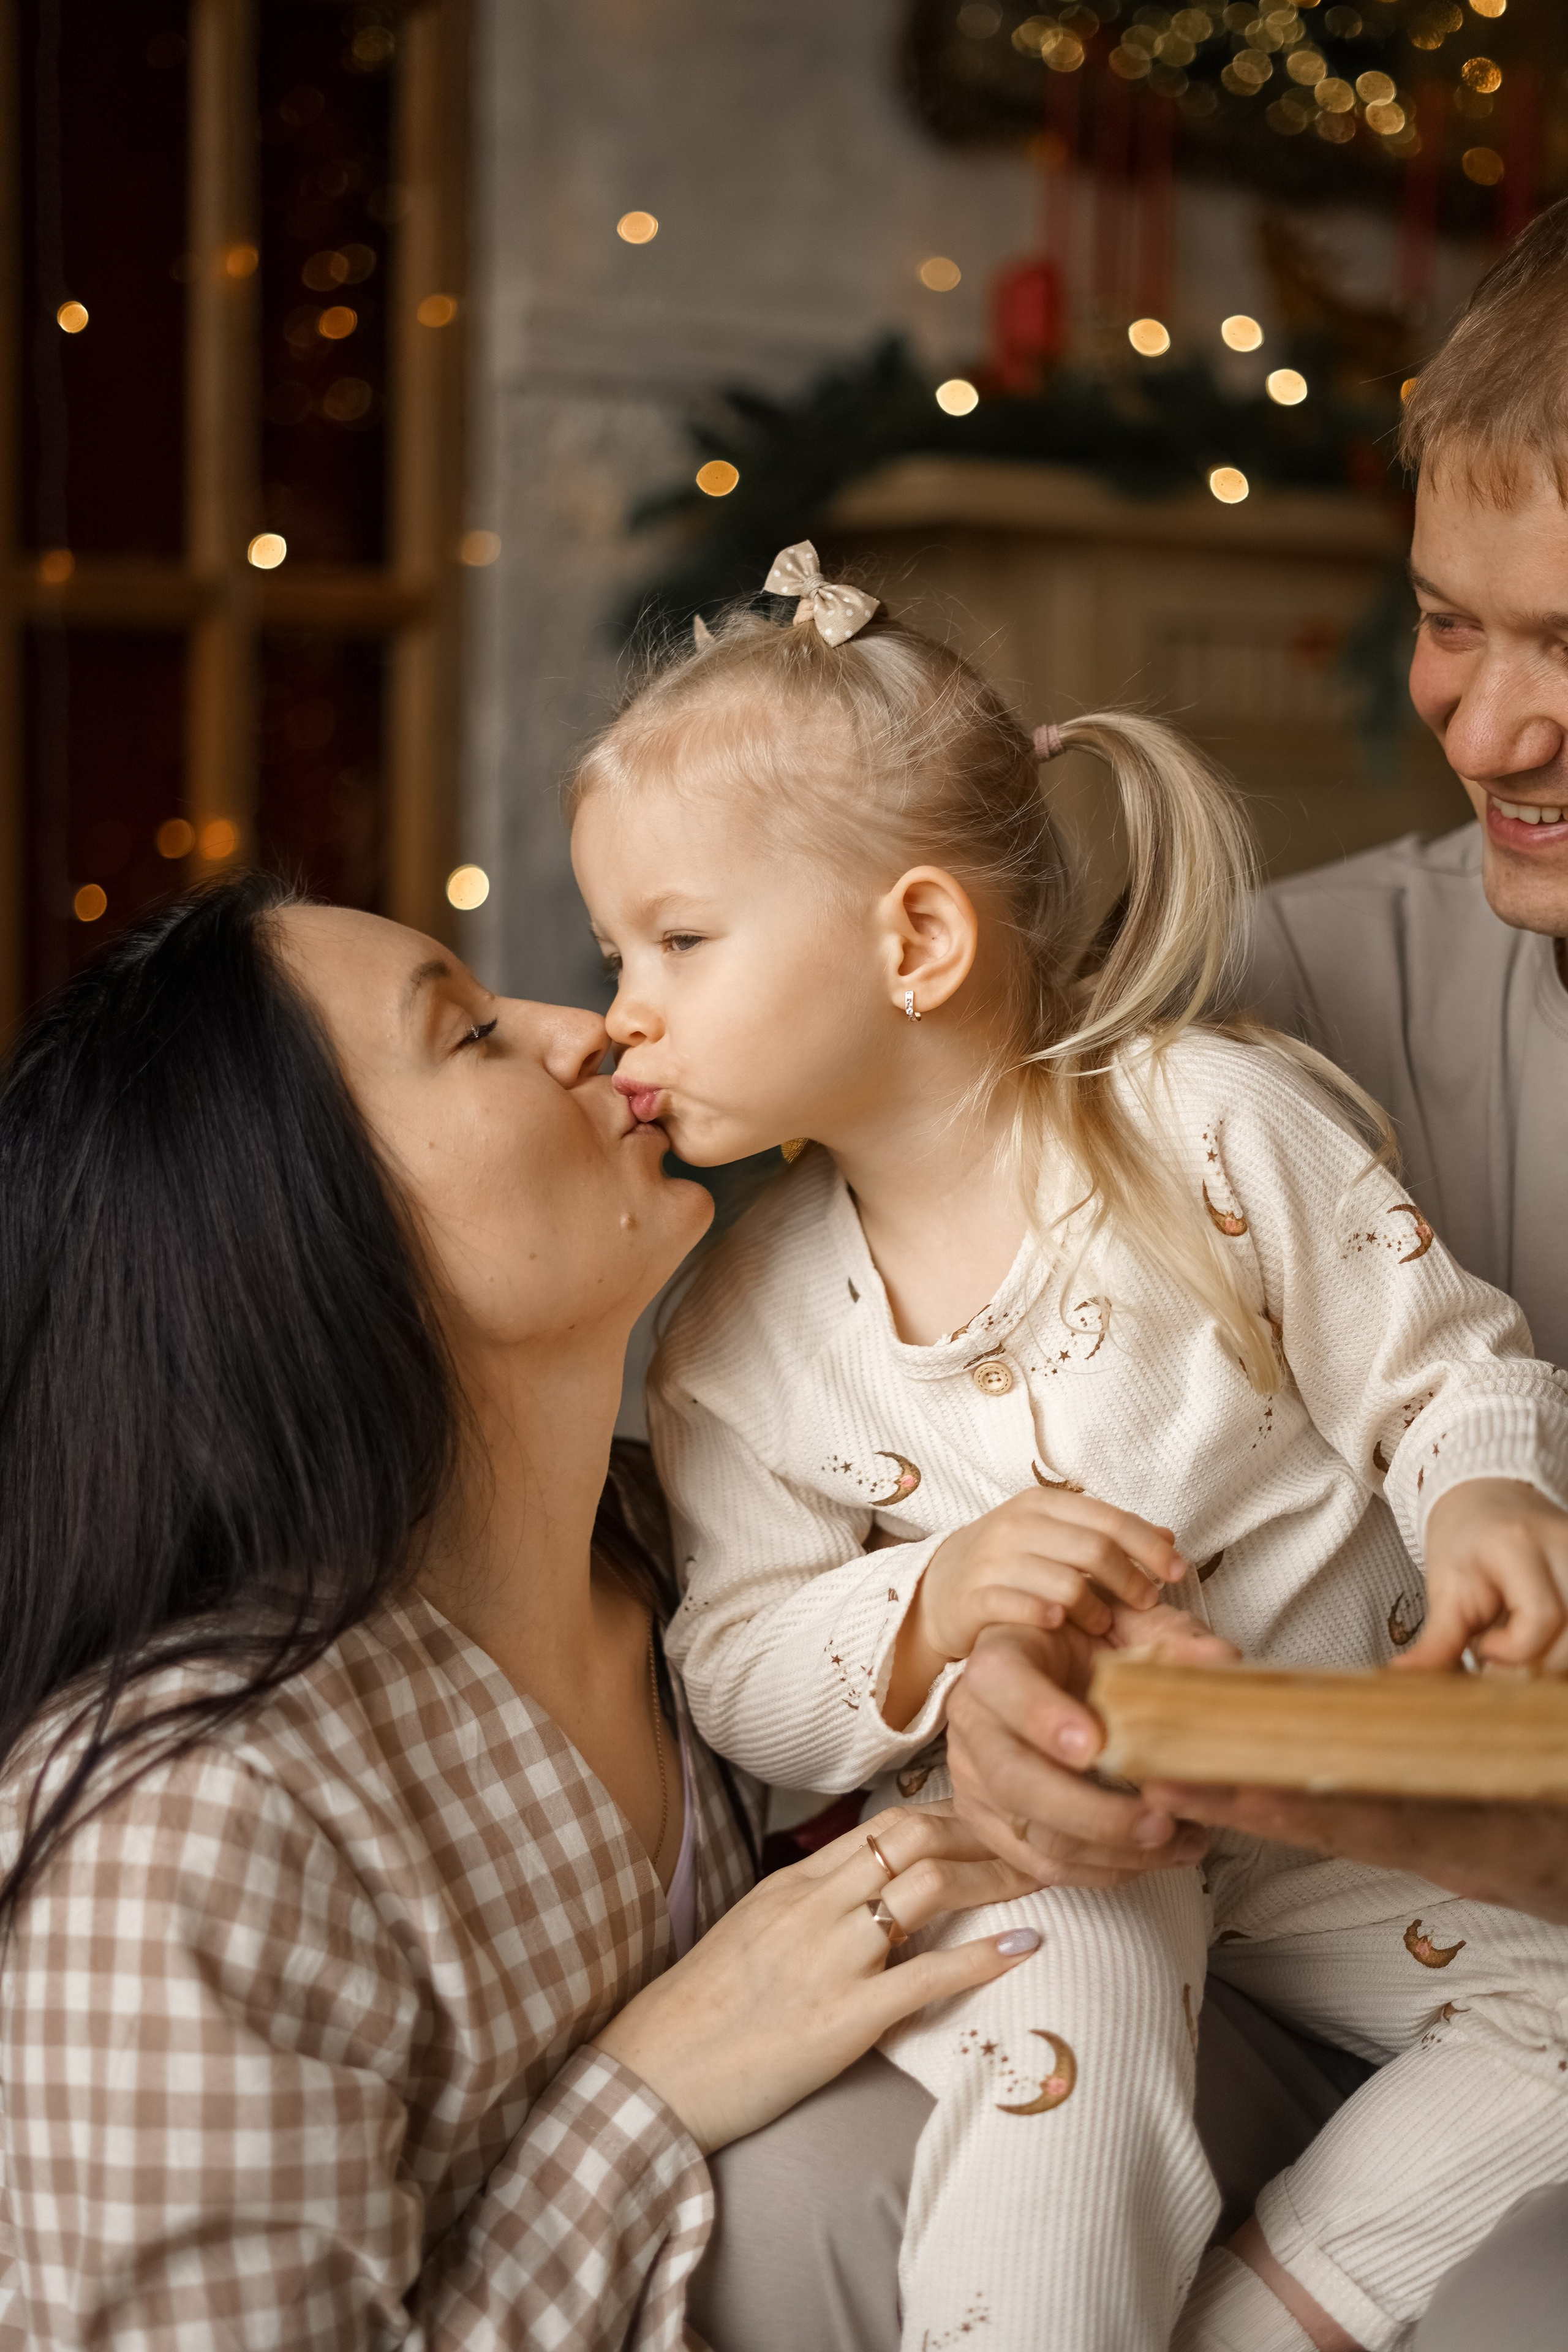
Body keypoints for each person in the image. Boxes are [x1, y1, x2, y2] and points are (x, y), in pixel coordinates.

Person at [567, 560, 1568, 2352]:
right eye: (616, 952)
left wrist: (1495, 1496)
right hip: (1058, 1854)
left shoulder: (1213, 1130)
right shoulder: (737, 1329)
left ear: (918, 942)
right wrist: (930, 1602)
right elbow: (735, 1662)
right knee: (1063, 2028)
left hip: (1381, 1851)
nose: (620, 1010)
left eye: (677, 943)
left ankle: (1262, 2323)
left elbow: (1449, 1371)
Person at [0, 875, 1043, 2350]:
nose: (589, 1029)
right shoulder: (185, 1830)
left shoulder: (712, 1553)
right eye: (470, 1033)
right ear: (300, 1228)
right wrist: (649, 2098)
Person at [944, 197, 1568, 2352]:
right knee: (819, 2186)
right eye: (1448, 626)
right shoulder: (1278, 992)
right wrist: (980, 1705)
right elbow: (915, 1363)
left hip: (1522, 2020)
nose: (1489, 734)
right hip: (1298, 1937)